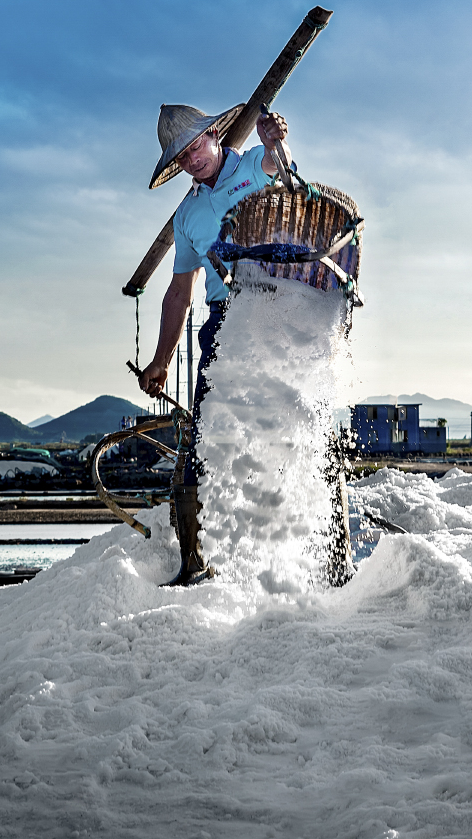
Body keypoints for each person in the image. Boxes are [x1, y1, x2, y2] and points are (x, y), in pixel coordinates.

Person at [138, 102, 292, 586]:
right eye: (182, 156)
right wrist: (160, 361)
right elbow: (179, 292)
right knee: (204, 441)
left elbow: (278, 166)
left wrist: (275, 140)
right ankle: (194, 563)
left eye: (196, 145)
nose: (193, 158)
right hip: (226, 321)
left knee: (298, 430)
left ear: (215, 133)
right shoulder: (187, 216)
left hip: (282, 308)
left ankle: (332, 556)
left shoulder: (253, 164)